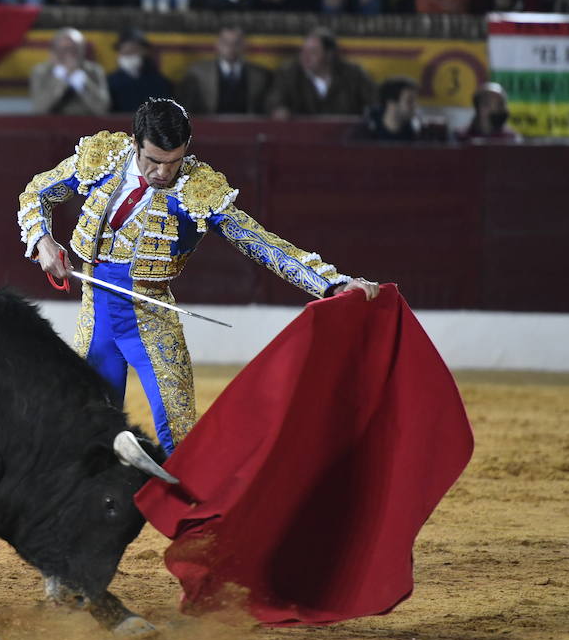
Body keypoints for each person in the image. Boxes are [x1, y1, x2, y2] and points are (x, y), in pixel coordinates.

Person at [19, 97, 379, 452]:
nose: (162, 173)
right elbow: (36, 194)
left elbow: (259, 242)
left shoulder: (198, 188)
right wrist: (43, 241)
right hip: (94, 312)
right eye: (153, 161)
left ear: (186, 149)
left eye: (173, 163)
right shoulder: (103, 157)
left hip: (151, 316)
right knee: (86, 425)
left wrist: (331, 282)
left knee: (179, 433)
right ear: (134, 143)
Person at [268, 27, 376, 118]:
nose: (305, 57)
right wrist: (278, 110)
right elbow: (274, 101)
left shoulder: (354, 75)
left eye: (313, 52)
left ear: (329, 55)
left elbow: (373, 104)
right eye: (304, 51)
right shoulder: (288, 74)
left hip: (345, 137)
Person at [177, 25, 273, 115]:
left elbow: (269, 104)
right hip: (209, 127)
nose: (231, 47)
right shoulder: (198, 73)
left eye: (236, 43)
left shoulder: (260, 75)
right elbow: (186, 106)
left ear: (244, 45)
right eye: (226, 42)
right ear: (217, 44)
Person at [30, 27, 109, 115]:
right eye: (64, 49)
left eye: (74, 49)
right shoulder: (42, 71)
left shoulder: (94, 71)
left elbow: (102, 108)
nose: (69, 54)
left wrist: (78, 77)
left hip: (87, 123)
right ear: (55, 50)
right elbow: (40, 108)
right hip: (52, 125)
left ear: (82, 50)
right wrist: (61, 75)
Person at [107, 29, 172, 112]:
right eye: (125, 52)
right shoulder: (111, 81)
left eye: (133, 51)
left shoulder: (159, 82)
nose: (129, 55)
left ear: (144, 52)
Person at [352, 76, 420, 140]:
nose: (415, 106)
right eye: (410, 101)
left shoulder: (419, 134)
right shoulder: (362, 134)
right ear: (391, 104)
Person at [456, 82, 522, 141]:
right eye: (487, 104)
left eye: (499, 105)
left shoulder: (510, 138)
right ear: (478, 107)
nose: (494, 109)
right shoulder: (462, 136)